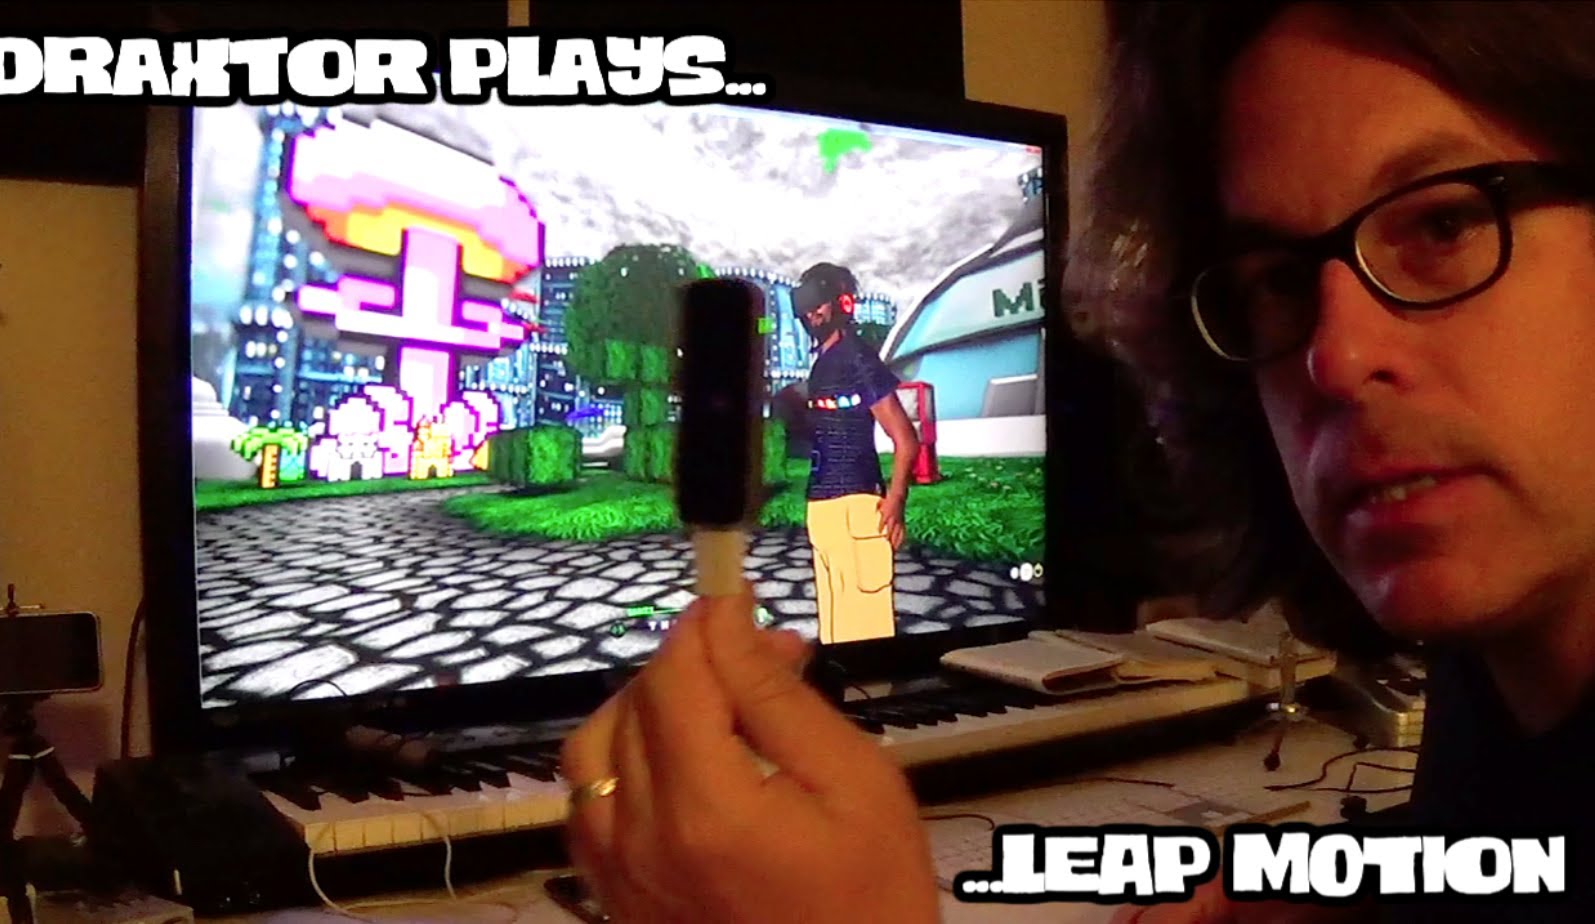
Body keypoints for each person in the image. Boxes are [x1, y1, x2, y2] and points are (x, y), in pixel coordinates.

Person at [561, 2, 1595, 921]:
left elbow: (900, 432)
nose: (1336, 356)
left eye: (1443, 224)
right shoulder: (1496, 675)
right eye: (1276, 282)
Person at [790, 262, 920, 644]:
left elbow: (905, 437)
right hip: (823, 508)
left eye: (819, 302)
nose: (812, 314)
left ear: (841, 303)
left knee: (866, 635)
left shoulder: (857, 357)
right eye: (806, 305)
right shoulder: (824, 362)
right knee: (836, 634)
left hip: (858, 508)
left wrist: (896, 499)